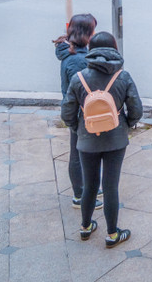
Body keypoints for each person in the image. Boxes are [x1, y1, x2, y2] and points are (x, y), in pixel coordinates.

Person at [61, 32, 143, 248]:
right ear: (114, 49)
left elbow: (67, 113)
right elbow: (136, 109)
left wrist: (78, 129)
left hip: (87, 139)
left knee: (89, 185)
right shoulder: (123, 77)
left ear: (90, 50)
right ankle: (112, 234)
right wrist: (127, 124)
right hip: (115, 140)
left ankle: (86, 227)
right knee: (110, 186)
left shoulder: (78, 78)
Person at [54, 14, 101, 210]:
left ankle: (86, 189)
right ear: (86, 33)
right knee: (78, 153)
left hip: (77, 112)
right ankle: (80, 194)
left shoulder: (72, 54)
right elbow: (78, 91)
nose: (95, 33)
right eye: (93, 30)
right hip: (80, 113)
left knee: (80, 151)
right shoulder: (78, 60)